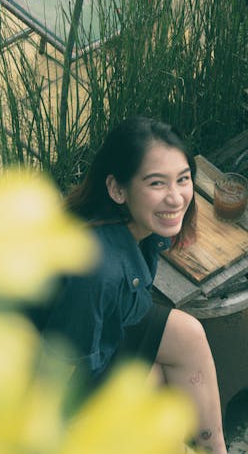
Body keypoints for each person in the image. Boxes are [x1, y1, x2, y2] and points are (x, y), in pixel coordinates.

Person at [42, 116, 227, 453]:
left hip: (105, 337)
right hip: (56, 379)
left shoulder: (133, 224)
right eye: (157, 184)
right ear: (117, 189)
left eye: (183, 179)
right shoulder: (97, 268)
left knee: (189, 335)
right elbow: (60, 368)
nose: (176, 198)